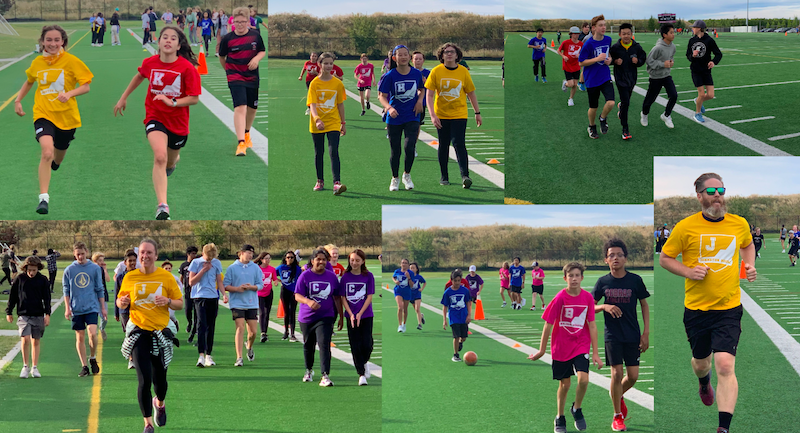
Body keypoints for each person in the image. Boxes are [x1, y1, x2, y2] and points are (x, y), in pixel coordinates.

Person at [659, 172, 756, 433]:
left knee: (725, 363)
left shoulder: (739, 223)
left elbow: (747, 246)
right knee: (701, 363)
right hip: (697, 310)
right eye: (711, 191)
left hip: (728, 307)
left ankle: (723, 428)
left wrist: (748, 267)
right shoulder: (685, 226)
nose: (718, 196)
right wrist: (689, 272)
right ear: (699, 195)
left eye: (721, 191)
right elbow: (666, 258)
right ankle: (703, 382)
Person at [114, 27, 201, 220]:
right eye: (164, 37)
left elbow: (194, 98)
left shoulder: (187, 68)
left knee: (169, 161)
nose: (168, 41)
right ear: (158, 41)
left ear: (179, 45)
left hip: (178, 123)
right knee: (160, 157)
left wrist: (173, 102)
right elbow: (139, 76)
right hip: (155, 117)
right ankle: (162, 206)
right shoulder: (150, 62)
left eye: (173, 38)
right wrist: (123, 97)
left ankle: (173, 163)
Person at [14, 25, 93, 215]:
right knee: (47, 152)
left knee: (57, 157)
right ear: (42, 42)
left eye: (57, 40)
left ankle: (56, 163)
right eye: (48, 40)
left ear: (63, 42)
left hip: (67, 117)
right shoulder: (37, 63)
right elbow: (29, 81)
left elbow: (86, 86)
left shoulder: (71, 61)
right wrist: (18, 100)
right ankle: (43, 198)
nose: (52, 43)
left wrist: (70, 93)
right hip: (43, 114)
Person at [117, 239, 183, 433]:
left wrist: (168, 301)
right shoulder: (130, 277)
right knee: (144, 380)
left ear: (156, 255)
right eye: (142, 253)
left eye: (149, 253)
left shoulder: (166, 277)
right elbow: (121, 302)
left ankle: (159, 403)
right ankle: (147, 423)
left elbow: (180, 303)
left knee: (160, 382)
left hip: (160, 333)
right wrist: (122, 301)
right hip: (139, 332)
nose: (145, 256)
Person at [530, 262, 602, 433]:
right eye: (571, 276)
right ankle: (560, 417)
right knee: (565, 384)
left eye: (577, 275)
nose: (574, 279)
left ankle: (576, 409)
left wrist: (596, 353)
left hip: (580, 345)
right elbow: (548, 325)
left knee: (584, 379)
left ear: (582, 278)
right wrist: (541, 350)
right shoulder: (560, 297)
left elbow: (592, 325)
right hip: (561, 346)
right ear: (565, 278)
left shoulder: (587, 299)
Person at [593, 239, 651, 432]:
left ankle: (618, 396)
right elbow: (590, 307)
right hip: (612, 335)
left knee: (633, 376)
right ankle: (617, 416)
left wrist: (646, 333)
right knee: (616, 374)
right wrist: (604, 306)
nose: (615, 258)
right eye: (611, 255)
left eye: (619, 254)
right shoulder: (603, 282)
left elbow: (644, 305)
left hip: (633, 334)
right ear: (606, 260)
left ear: (625, 258)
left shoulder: (635, 280)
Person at [425, 42, 482, 188]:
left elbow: (471, 93)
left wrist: (477, 112)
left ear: (457, 55)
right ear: (441, 55)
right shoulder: (436, 71)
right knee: (443, 145)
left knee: (459, 143)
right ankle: (444, 176)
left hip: (459, 114)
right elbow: (429, 95)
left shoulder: (463, 71)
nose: (449, 54)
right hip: (441, 114)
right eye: (446, 52)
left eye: (452, 52)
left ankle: (465, 176)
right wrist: (432, 115)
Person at [217, 7, 266, 157]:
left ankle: (246, 133)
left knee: (252, 107)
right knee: (240, 107)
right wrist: (229, 70)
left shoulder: (255, 36)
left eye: (242, 22)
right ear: (232, 22)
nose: (239, 24)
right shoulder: (227, 39)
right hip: (234, 76)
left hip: (251, 76)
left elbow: (262, 51)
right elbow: (222, 56)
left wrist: (256, 59)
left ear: (247, 21)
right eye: (236, 22)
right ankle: (241, 143)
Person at [379, 45, 424, 192]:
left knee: (409, 147)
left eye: (406, 54)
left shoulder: (416, 74)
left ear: (409, 57)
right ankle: (395, 178)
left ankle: (407, 175)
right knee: (396, 150)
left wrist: (419, 101)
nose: (403, 57)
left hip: (412, 115)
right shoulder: (389, 76)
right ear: (394, 58)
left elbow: (422, 89)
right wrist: (389, 108)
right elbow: (382, 96)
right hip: (394, 117)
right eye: (400, 55)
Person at [295, 248, 343, 386]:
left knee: (324, 343)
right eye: (318, 259)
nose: (321, 262)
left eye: (323, 259)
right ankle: (308, 370)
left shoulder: (331, 276)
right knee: (308, 345)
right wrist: (308, 302)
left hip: (326, 316)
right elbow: (297, 295)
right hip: (307, 317)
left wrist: (340, 315)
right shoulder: (305, 276)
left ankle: (325, 375)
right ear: (312, 261)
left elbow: (337, 296)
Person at [63, 241, 107, 377]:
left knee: (92, 333)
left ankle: (92, 357)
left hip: (91, 307)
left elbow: (100, 288)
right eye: (78, 255)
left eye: (82, 254)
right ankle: (84, 366)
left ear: (86, 252)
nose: (80, 257)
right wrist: (67, 308)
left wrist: (103, 307)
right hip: (77, 308)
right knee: (80, 337)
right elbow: (66, 290)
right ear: (74, 254)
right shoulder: (69, 270)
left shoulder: (94, 268)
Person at [308, 52, 347, 195]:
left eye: (331, 63)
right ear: (320, 64)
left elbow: (340, 104)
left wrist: (343, 122)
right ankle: (320, 180)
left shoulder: (337, 83)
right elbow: (312, 104)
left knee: (334, 151)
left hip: (333, 122)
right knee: (319, 152)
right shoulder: (314, 83)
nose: (329, 66)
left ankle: (337, 183)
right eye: (326, 63)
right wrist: (317, 119)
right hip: (317, 123)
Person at [5, 256, 51, 379]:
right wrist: (9, 312)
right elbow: (13, 296)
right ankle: (25, 366)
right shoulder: (20, 279)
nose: (31, 273)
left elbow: (46, 298)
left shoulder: (43, 280)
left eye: (34, 270)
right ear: (25, 268)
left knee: (35, 340)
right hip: (23, 314)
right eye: (29, 270)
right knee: (25, 339)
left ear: (38, 269)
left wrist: (47, 314)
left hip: (38, 314)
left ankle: (34, 367)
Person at [223, 244, 263, 367]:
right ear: (240, 253)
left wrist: (251, 287)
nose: (250, 255)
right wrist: (237, 289)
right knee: (240, 328)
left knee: (253, 332)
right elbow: (226, 285)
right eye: (248, 252)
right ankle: (239, 357)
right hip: (237, 303)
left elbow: (260, 284)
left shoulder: (255, 268)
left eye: (252, 253)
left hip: (251, 302)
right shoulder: (232, 268)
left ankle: (249, 346)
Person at [340, 249, 375, 385]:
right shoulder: (345, 276)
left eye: (357, 260)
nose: (354, 263)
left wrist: (360, 313)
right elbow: (343, 297)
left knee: (367, 344)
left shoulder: (368, 276)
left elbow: (369, 296)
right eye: (352, 260)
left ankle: (364, 362)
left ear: (363, 261)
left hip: (366, 315)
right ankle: (361, 374)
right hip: (351, 316)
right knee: (355, 345)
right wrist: (351, 314)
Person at [188, 243, 227, 368]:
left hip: (212, 297)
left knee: (211, 326)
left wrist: (224, 294)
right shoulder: (196, 263)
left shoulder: (217, 263)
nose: (210, 259)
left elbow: (219, 281)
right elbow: (191, 282)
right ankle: (200, 355)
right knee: (201, 325)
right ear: (203, 254)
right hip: (199, 297)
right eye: (208, 257)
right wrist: (203, 270)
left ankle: (208, 355)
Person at [579, 15, 615, 139]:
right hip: (592, 79)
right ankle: (591, 126)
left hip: (605, 76)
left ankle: (602, 118)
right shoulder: (588, 44)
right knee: (593, 107)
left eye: (604, 25)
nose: (603, 27)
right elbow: (581, 62)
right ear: (594, 28)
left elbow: (608, 53)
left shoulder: (608, 39)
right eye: (600, 25)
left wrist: (609, 59)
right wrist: (596, 59)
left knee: (611, 102)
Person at [609, 23, 646, 140]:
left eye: (628, 34)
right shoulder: (615, 48)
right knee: (626, 103)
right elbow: (608, 59)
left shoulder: (636, 47)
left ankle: (621, 108)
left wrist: (638, 61)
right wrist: (614, 61)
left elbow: (643, 58)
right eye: (623, 34)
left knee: (626, 100)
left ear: (631, 34)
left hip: (632, 78)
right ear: (619, 34)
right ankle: (625, 129)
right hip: (620, 79)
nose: (626, 36)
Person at [641, 23, 678, 131]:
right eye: (671, 32)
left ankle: (666, 115)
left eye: (673, 32)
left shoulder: (673, 47)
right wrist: (663, 64)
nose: (673, 34)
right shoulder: (657, 48)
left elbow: (671, 57)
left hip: (666, 75)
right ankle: (644, 114)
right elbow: (649, 61)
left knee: (674, 95)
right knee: (650, 100)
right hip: (655, 77)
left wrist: (671, 62)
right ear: (664, 34)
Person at [687, 20, 722, 124]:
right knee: (701, 94)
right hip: (696, 70)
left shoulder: (709, 40)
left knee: (710, 95)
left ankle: (698, 101)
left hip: (706, 71)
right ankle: (697, 114)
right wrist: (692, 55)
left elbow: (718, 54)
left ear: (699, 29)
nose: (692, 29)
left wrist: (713, 62)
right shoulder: (691, 41)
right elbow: (688, 56)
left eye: (694, 27)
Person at [441, 269, 472, 362]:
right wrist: (444, 320)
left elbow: (468, 302)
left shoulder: (465, 290)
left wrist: (469, 315)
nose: (457, 283)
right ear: (451, 280)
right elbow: (445, 306)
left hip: (463, 316)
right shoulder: (447, 292)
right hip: (454, 317)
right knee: (456, 336)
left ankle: (460, 343)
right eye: (455, 281)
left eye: (459, 280)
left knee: (464, 338)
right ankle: (455, 354)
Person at [276, 250, 301, 341]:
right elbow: (272, 274)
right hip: (284, 290)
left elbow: (301, 278)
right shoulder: (281, 267)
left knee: (292, 312)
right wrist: (278, 281)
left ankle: (292, 333)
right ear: (285, 258)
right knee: (286, 312)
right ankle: (286, 331)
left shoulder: (297, 268)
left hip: (293, 292)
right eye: (288, 257)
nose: (290, 259)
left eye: (291, 257)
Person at [558, 26, 583, 107]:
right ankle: (565, 83)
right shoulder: (566, 42)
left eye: (578, 34)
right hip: (567, 66)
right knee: (571, 84)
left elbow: (583, 54)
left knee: (575, 84)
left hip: (576, 66)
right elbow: (559, 50)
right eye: (574, 34)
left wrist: (580, 55)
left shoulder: (581, 44)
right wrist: (563, 56)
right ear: (571, 34)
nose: (576, 35)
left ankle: (571, 98)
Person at [255, 252, 277, 342]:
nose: (268, 260)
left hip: (269, 293)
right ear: (261, 259)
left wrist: (275, 282)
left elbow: (274, 279)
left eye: (269, 258)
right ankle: (262, 333)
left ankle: (265, 332)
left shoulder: (272, 269)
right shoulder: (257, 269)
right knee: (262, 312)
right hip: (259, 293)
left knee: (267, 312)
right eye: (266, 258)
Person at [91, 252, 112, 341]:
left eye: (102, 261)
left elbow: (108, 279)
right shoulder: (92, 270)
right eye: (100, 261)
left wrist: (105, 269)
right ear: (95, 261)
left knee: (104, 318)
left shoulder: (102, 270)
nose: (101, 262)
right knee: (93, 316)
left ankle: (102, 328)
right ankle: (93, 333)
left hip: (103, 295)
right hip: (93, 296)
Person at [179, 246, 198, 342]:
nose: (194, 255)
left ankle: (195, 328)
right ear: (188, 254)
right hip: (187, 292)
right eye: (192, 253)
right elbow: (181, 277)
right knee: (188, 310)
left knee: (197, 312)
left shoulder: (198, 264)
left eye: (195, 253)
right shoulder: (184, 265)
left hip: (196, 291)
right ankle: (189, 323)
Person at [392, 258, 415, 332]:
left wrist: (408, 278)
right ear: (400, 264)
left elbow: (412, 285)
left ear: (408, 265)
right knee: (400, 307)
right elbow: (393, 277)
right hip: (398, 291)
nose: (404, 264)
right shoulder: (397, 271)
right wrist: (395, 281)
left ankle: (404, 323)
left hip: (407, 291)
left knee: (405, 309)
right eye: (402, 263)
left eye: (405, 263)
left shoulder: (410, 273)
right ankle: (399, 325)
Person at [412, 51, 431, 126]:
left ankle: (415, 137)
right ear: (412, 60)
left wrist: (426, 83)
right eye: (416, 59)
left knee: (418, 123)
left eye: (420, 59)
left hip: (422, 101)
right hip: (410, 100)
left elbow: (432, 87)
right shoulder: (408, 71)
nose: (418, 61)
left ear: (423, 60)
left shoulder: (427, 73)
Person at [408, 262, 426, 330]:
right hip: (410, 295)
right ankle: (421, 316)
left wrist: (422, 289)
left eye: (413, 268)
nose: (412, 269)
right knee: (416, 310)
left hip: (417, 294)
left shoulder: (418, 277)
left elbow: (424, 282)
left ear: (416, 269)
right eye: (410, 268)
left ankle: (419, 324)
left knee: (417, 308)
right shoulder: (408, 277)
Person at [577, 21, 591, 91]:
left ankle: (582, 82)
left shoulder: (590, 35)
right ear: (583, 28)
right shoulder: (580, 36)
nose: (587, 29)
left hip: (588, 54)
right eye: (586, 27)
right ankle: (580, 82)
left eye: (588, 27)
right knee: (584, 68)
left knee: (586, 69)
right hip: (581, 54)